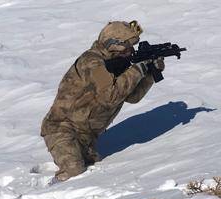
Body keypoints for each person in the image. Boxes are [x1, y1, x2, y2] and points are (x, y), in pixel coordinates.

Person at [41, 19, 163, 181]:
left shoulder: (117, 63)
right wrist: (138, 69)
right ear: (114, 44)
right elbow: (110, 96)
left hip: (88, 138)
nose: (131, 50)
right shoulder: (91, 62)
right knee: (74, 172)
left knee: (96, 175)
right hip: (62, 130)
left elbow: (133, 97)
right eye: (128, 46)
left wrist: (149, 74)